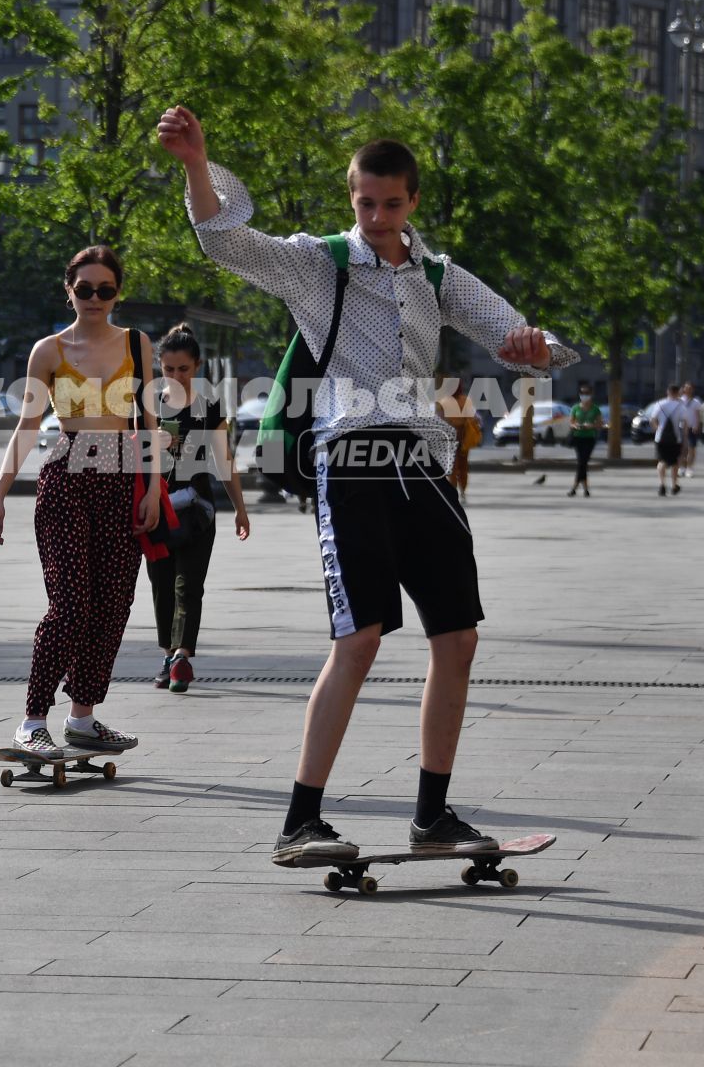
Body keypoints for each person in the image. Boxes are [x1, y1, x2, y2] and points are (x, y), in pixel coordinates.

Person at [159, 104, 575, 867]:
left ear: (413, 201)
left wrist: (534, 348)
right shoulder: (319, 264)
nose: (377, 217)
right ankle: (300, 821)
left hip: (424, 464)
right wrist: (196, 163)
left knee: (459, 638)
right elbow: (225, 242)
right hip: (350, 460)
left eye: (391, 204)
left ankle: (432, 815)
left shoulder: (439, 276)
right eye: (365, 202)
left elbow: (523, 340)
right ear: (350, 197)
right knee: (360, 638)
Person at [0, 245, 157, 760]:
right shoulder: (49, 350)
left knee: (112, 606)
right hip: (66, 480)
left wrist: (150, 486)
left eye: (105, 289)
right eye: (85, 289)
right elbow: (27, 427)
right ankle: (31, 721)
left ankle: (82, 717)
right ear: (69, 291)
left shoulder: (138, 344)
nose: (95, 298)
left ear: (118, 293)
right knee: (70, 605)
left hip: (122, 480)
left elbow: (147, 423)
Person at [148, 323, 250, 694]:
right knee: (161, 586)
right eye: (168, 369)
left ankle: (181, 658)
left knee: (188, 586)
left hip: (198, 511)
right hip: (154, 510)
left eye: (184, 370)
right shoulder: (146, 406)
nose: (175, 377)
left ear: (198, 366)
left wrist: (240, 507)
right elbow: (124, 453)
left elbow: (224, 459)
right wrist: (149, 442)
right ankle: (167, 653)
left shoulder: (210, 407)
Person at [647, 384, 686, 496]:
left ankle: (662, 484)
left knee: (662, 461)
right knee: (674, 462)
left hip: (661, 438)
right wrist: (685, 438)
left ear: (668, 392)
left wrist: (657, 429)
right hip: (675, 438)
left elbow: (652, 419)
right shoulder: (680, 406)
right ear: (678, 392)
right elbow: (685, 423)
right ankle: (674, 485)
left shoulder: (660, 404)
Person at [567, 382, 600, 496]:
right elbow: (571, 422)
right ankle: (584, 489)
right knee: (582, 463)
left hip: (589, 438)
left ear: (591, 394)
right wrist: (575, 425)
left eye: (587, 393)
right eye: (582, 393)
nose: (584, 395)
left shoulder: (595, 409)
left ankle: (575, 488)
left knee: (582, 463)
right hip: (578, 437)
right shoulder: (575, 408)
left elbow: (599, 424)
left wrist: (591, 426)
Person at [677, 382, 700, 477]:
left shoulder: (696, 402)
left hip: (692, 428)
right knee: (682, 449)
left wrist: (697, 425)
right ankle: (681, 467)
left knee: (691, 449)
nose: (688, 390)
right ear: (684, 389)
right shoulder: (679, 401)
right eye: (687, 388)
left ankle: (689, 468)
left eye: (690, 388)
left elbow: (697, 416)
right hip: (681, 427)